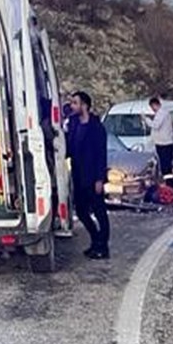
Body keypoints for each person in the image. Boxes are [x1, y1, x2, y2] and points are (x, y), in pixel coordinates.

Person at [67, 91, 110, 259]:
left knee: (99, 211)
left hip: (93, 176)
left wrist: (100, 178)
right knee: (82, 212)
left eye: (75, 103)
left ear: (84, 105)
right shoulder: (73, 123)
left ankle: (103, 246)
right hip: (78, 175)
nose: (72, 106)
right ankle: (95, 240)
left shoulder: (96, 127)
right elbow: (70, 146)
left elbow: (101, 154)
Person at [149, 96, 173, 190]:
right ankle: (169, 184)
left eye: (152, 107)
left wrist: (145, 119)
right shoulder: (164, 113)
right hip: (164, 143)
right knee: (165, 166)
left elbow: (155, 125)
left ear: (155, 105)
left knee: (166, 166)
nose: (152, 109)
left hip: (164, 143)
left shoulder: (161, 113)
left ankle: (169, 186)